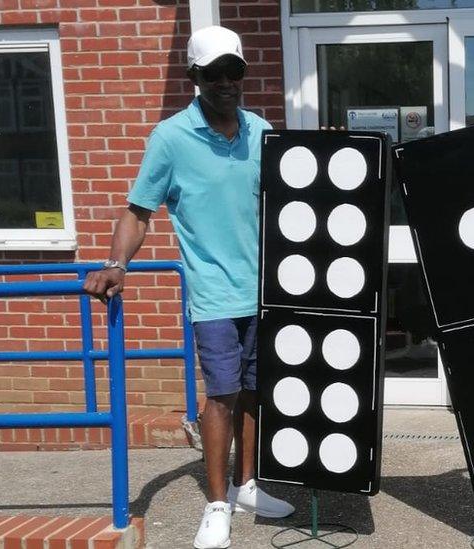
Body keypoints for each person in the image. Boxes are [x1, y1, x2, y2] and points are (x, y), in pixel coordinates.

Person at [83, 26, 293, 549]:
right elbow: (138, 212)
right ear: (194, 78)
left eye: (234, 71)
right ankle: (217, 504)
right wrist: (116, 263)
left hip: (265, 293)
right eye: (213, 73)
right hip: (216, 296)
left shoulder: (260, 130)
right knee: (221, 397)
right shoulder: (172, 137)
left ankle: (247, 485)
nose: (226, 82)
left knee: (255, 395)